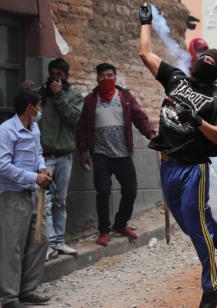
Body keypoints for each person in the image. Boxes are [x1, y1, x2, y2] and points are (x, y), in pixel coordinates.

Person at [138, 4, 217, 308]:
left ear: (215, 72)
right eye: (203, 58)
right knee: (194, 225)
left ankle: (212, 284)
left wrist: (196, 120)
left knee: (197, 226)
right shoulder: (176, 78)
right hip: (167, 164)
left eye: (210, 62)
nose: (204, 62)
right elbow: (145, 54)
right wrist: (145, 22)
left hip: (194, 171)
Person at [76, 62, 155, 247]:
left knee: (131, 190)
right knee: (103, 191)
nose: (106, 78)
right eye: (102, 75)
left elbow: (139, 117)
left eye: (109, 75)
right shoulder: (90, 100)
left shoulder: (125, 97)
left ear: (115, 77)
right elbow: (81, 127)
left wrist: (151, 133)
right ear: (97, 79)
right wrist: (84, 150)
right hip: (100, 153)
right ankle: (104, 230)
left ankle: (120, 224)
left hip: (122, 153)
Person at [0, 90, 52, 308]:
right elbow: (4, 167)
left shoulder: (34, 128)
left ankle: (27, 290)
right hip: (12, 197)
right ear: (30, 107)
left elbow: (37, 152)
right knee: (12, 248)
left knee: (41, 239)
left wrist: (42, 167)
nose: (40, 111)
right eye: (39, 106)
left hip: (32, 194)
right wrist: (35, 177)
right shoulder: (5, 131)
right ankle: (10, 298)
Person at [21, 58, 83, 260]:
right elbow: (25, 115)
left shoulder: (73, 95)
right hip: (44, 157)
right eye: (52, 73)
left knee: (60, 200)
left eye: (60, 74)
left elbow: (73, 118)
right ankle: (47, 245)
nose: (55, 78)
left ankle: (58, 241)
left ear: (66, 76)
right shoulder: (39, 95)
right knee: (43, 202)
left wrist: (58, 96)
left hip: (64, 155)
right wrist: (25, 94)